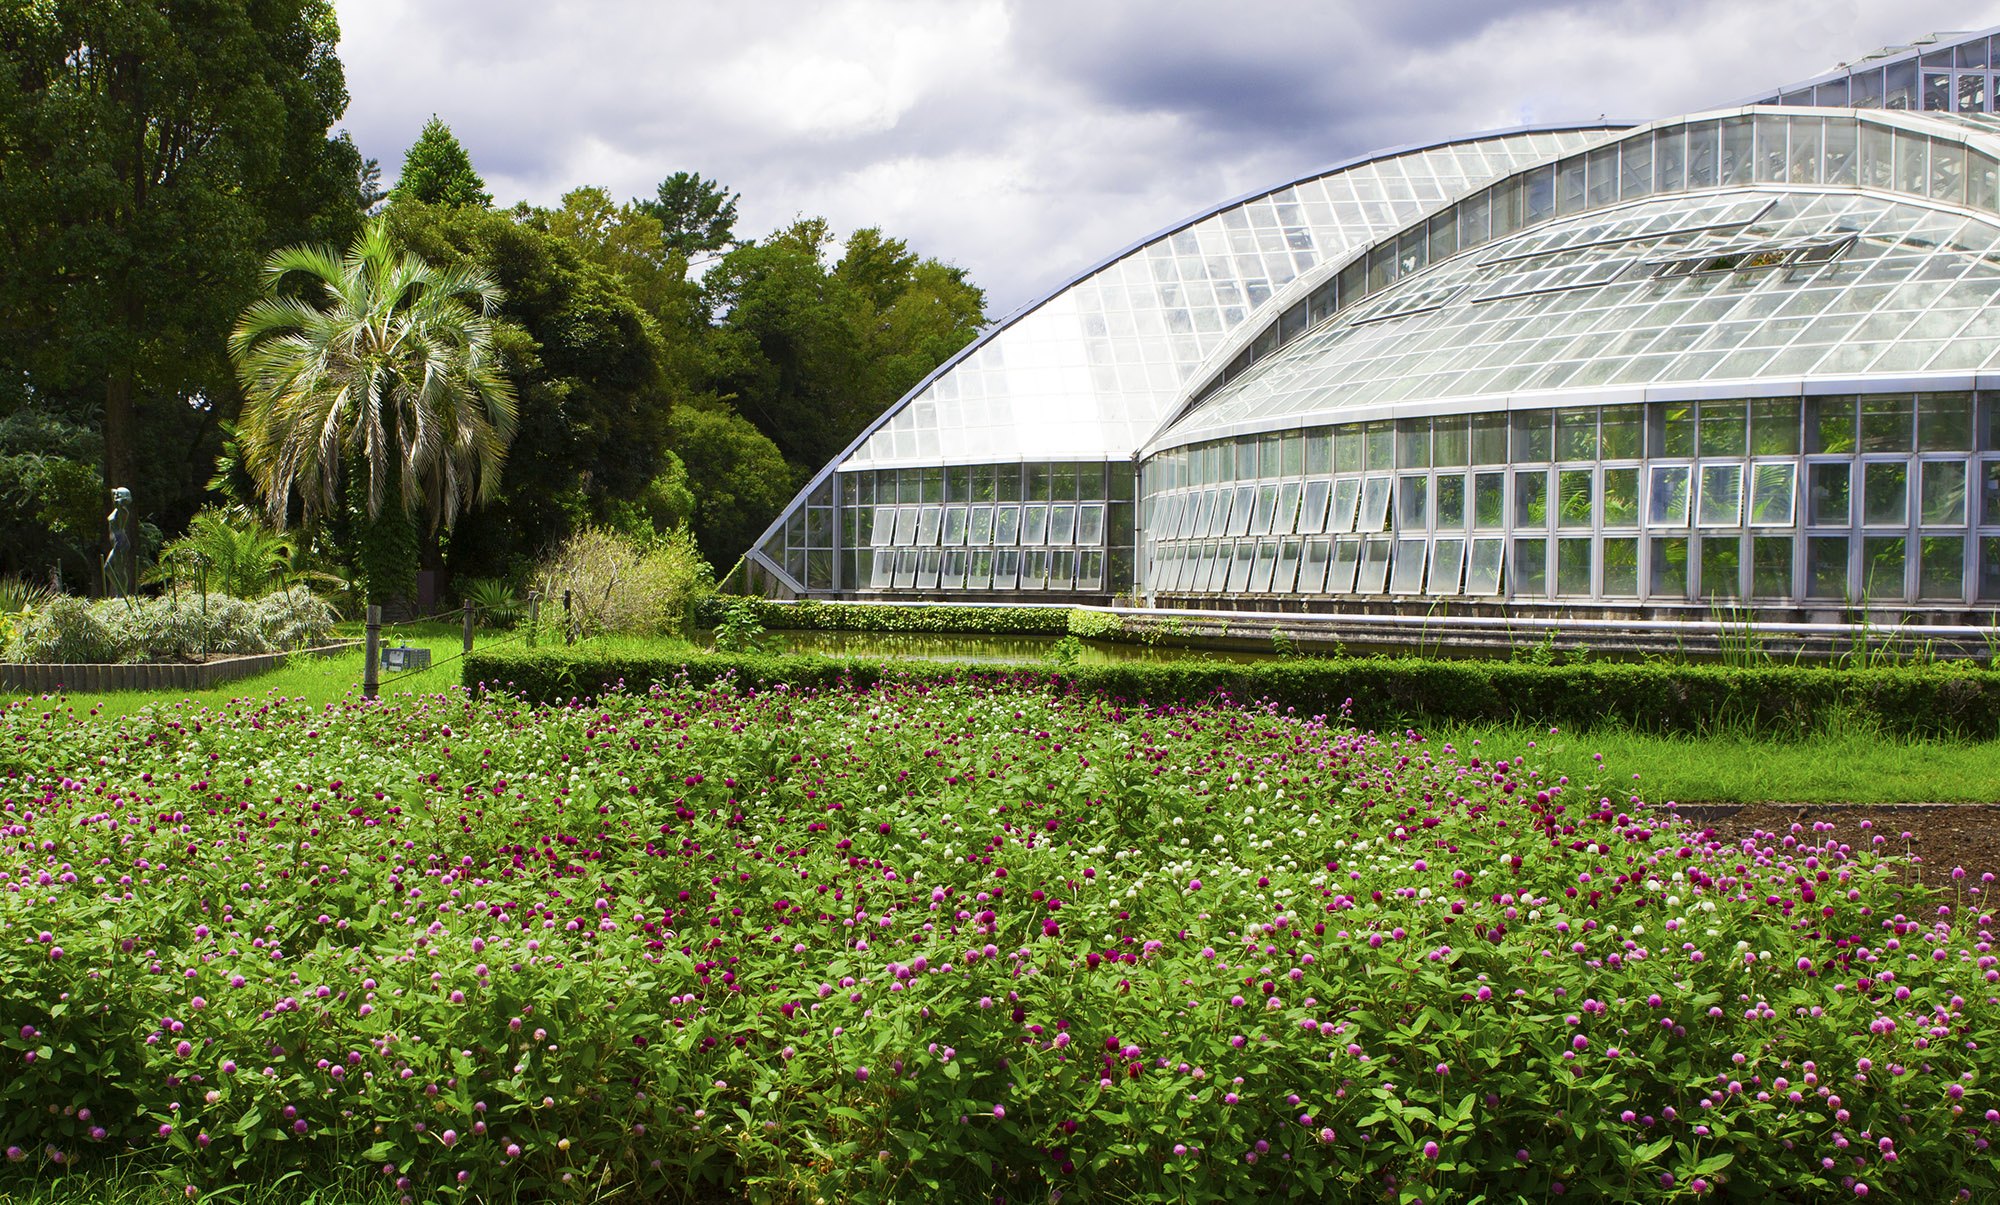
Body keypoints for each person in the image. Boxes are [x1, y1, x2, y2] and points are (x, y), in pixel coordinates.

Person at [104, 486, 132, 598]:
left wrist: (122, 497)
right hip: (116, 543)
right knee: (108, 568)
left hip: (120, 543)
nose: (115, 498)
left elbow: (119, 504)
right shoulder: (115, 510)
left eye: (118, 496)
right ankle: (119, 592)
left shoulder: (123, 511)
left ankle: (121, 594)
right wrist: (115, 492)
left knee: (118, 568)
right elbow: (112, 493)